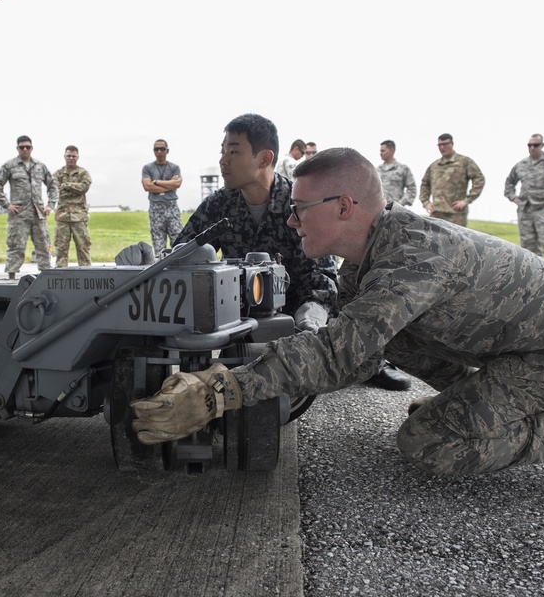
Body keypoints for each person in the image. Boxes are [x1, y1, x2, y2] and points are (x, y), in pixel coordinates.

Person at [131, 147, 544, 477]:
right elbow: (350, 353)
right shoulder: (361, 266)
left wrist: (220, 390)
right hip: (523, 348)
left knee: (430, 441)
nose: (292, 223)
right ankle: (476, 406)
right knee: (387, 339)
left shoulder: (412, 254)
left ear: (343, 206)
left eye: (299, 211)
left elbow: (338, 354)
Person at [172, 114, 410, 391]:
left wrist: (313, 312)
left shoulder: (298, 202)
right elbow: (182, 254)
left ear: (264, 159)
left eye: (234, 151)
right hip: (239, 311)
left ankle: (369, 360)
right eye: (222, 151)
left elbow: (321, 274)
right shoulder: (218, 205)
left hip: (297, 310)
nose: (224, 160)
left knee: (352, 294)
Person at [0, 135, 58, 278]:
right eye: (22, 147)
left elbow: (53, 186)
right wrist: (6, 204)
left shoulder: (40, 166)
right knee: (16, 247)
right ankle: (11, 277)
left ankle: (46, 277)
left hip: (38, 214)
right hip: (19, 215)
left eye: (28, 147)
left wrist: (50, 205)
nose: (25, 149)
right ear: (17, 148)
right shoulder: (10, 166)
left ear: (32, 148)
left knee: (44, 247)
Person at [504, 134, 544, 269]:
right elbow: (509, 182)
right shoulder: (521, 164)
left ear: (542, 146)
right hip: (525, 209)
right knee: (528, 246)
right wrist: (513, 197)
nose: (532, 148)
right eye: (529, 145)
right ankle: (534, 277)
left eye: (535, 145)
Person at [419, 133, 484, 227]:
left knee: (457, 241)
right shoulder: (434, 166)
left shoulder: (464, 162)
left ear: (452, 144)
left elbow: (479, 179)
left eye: (445, 144)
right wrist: (425, 202)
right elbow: (425, 184)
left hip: (456, 215)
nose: (442, 147)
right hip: (436, 214)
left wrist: (466, 200)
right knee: (435, 241)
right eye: (439, 145)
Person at [52, 145, 93, 267]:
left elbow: (83, 188)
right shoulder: (57, 174)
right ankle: (61, 276)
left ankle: (86, 275)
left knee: (83, 248)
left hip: (79, 217)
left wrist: (65, 185)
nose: (71, 158)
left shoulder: (83, 173)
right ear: (64, 156)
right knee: (61, 249)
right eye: (68, 156)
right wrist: (74, 187)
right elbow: (55, 190)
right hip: (62, 217)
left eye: (73, 156)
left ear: (77, 157)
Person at [142, 139, 183, 255]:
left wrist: (156, 182)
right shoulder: (148, 168)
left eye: (162, 149)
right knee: (158, 243)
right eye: (156, 149)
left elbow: (177, 184)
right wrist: (169, 184)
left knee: (178, 240)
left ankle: (179, 268)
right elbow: (147, 186)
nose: (159, 151)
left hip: (171, 206)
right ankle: (162, 269)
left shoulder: (174, 167)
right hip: (156, 207)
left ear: (167, 150)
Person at [377, 140, 417, 206]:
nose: (380, 153)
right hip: (379, 210)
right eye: (380, 151)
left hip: (395, 211)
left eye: (383, 151)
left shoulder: (403, 169)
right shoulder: (377, 170)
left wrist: (401, 202)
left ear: (392, 150)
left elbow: (412, 188)